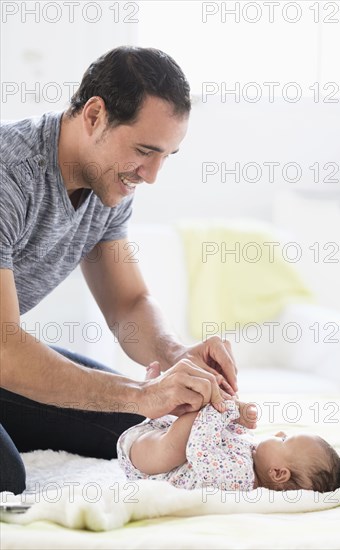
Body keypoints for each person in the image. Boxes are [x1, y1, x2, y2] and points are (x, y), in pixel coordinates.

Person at [0, 46, 238, 495]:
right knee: (5, 476)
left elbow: (128, 305)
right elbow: (5, 350)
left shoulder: (109, 185)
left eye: (167, 156)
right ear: (94, 115)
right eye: (145, 151)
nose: (151, 175)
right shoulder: (8, 175)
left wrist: (176, 355)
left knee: (141, 422)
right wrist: (140, 391)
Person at [118, 364, 340, 493]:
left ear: (278, 473)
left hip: (149, 463)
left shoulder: (241, 478)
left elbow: (200, 451)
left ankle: (157, 404)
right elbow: (224, 430)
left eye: (284, 440)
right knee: (200, 414)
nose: (278, 433)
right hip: (165, 431)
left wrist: (225, 408)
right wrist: (233, 406)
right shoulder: (252, 451)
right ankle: (157, 398)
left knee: (189, 427)